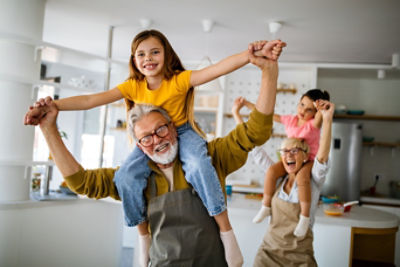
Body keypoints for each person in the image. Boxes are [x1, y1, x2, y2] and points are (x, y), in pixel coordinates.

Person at [24, 29, 285, 265]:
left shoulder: (208, 147)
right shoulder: (133, 92)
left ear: (171, 125)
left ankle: (227, 233)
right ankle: (142, 238)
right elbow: (91, 104)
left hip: (213, 259)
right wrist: (53, 112)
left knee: (197, 165)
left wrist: (255, 59)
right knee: (125, 177)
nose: (156, 140)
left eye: (161, 129)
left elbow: (220, 76)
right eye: (145, 137)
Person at [232, 96, 334, 266]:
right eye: (285, 151)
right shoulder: (278, 177)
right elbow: (253, 148)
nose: (289, 155)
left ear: (305, 155)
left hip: (300, 258)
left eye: (294, 150)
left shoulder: (313, 180)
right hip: (268, 254)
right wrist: (237, 114)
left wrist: (328, 120)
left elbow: (322, 157)